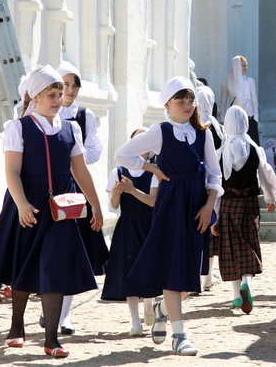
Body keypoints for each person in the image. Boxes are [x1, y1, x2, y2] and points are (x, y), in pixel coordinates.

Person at [0, 65, 103, 359]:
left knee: (55, 269)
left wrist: (94, 204)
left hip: (61, 210)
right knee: (24, 265)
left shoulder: (71, 128)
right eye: (52, 95)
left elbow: (80, 171)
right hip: (28, 204)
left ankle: (51, 338)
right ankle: (16, 326)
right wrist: (21, 204)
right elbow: (12, 171)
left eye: (60, 94)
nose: (59, 99)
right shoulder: (18, 127)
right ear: (35, 97)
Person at [114, 76, 223, 356]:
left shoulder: (203, 133)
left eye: (190, 100)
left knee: (190, 274)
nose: (187, 105)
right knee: (174, 268)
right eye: (180, 100)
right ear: (167, 104)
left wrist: (210, 205)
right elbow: (122, 155)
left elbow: (214, 174)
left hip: (197, 205)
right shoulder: (160, 132)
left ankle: (163, 307)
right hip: (171, 204)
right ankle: (179, 335)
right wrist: (151, 168)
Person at [48, 60, 107, 336]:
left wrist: (76, 156)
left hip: (75, 190)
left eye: (75, 85)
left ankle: (65, 313)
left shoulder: (84, 116)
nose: (70, 90)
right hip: (49, 187)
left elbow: (94, 149)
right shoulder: (42, 113)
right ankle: (49, 304)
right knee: (49, 250)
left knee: (73, 250)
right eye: (65, 84)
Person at [213, 106, 276, 314]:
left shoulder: (220, 153)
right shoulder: (255, 149)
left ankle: (236, 296)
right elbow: (266, 175)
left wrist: (215, 217)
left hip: (227, 206)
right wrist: (270, 198)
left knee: (230, 248)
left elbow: (216, 188)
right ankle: (246, 283)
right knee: (248, 244)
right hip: (249, 204)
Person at [101, 128, 162, 336]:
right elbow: (114, 205)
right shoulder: (118, 171)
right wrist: (117, 193)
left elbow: (152, 202)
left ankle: (149, 304)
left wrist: (132, 190)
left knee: (150, 269)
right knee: (128, 273)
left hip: (149, 225)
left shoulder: (155, 171)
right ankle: (136, 322)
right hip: (127, 225)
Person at [195, 85, 226, 291]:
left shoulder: (195, 127)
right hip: (215, 184)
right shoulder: (218, 128)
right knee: (211, 228)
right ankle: (207, 275)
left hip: (198, 182)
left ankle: (199, 275)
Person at [221, 55, 260, 144]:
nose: (246, 68)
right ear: (236, 66)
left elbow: (254, 101)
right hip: (235, 119)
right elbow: (223, 102)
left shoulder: (250, 81)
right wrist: (223, 119)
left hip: (250, 118)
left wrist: (256, 119)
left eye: (246, 65)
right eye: (243, 66)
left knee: (252, 145)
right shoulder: (227, 83)